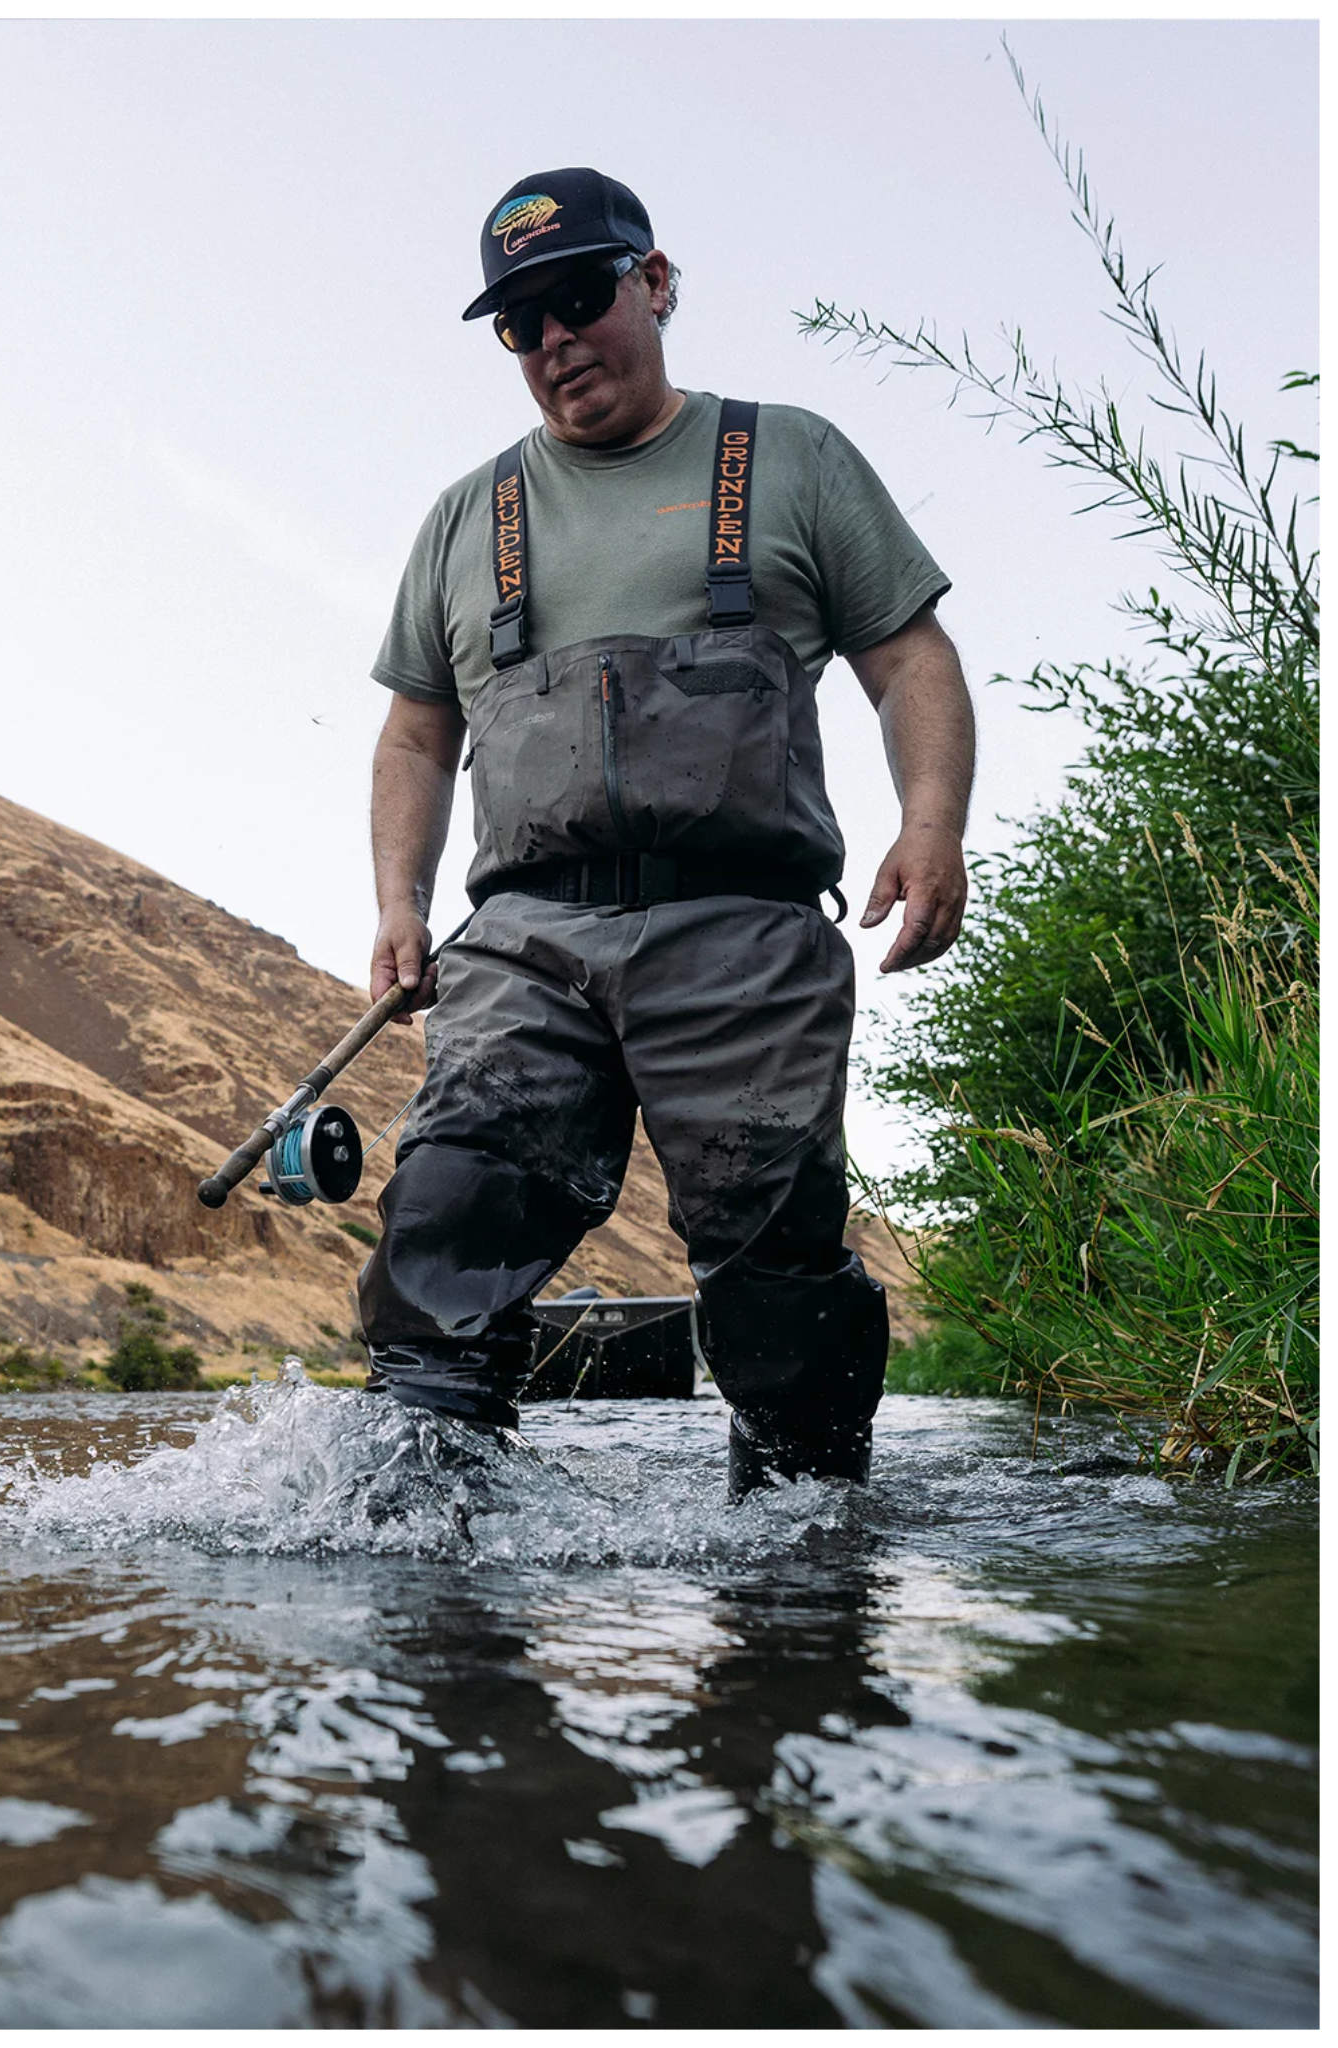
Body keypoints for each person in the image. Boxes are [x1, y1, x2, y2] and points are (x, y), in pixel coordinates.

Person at [355, 167, 974, 1497]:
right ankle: (416, 1567)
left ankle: (803, 1572)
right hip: (522, 944)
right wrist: (400, 904)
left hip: (743, 937)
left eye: (580, 296)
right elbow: (418, 733)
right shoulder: (467, 519)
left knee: (776, 1271)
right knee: (451, 1207)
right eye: (522, 322)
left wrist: (933, 826)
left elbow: (912, 662)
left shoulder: (791, 456)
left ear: (656, 282)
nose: (556, 338)